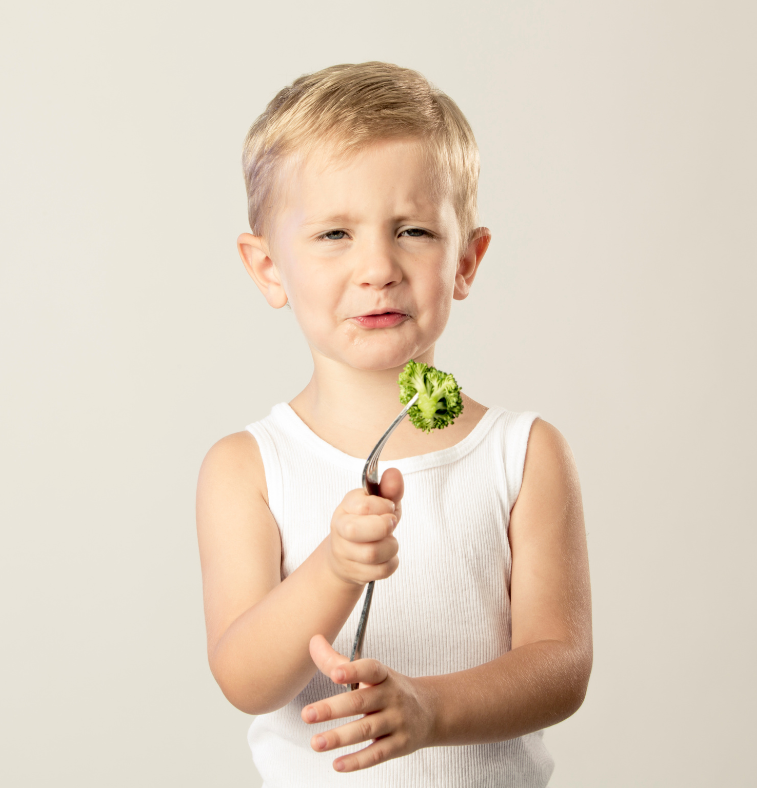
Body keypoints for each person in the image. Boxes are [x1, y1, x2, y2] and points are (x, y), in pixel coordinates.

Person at [196, 62, 591, 786]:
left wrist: (431, 710)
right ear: (267, 268)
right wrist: (336, 569)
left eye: (412, 230)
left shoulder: (524, 454)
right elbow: (245, 680)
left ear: (467, 260)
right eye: (334, 234)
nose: (377, 267)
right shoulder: (246, 468)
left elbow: (560, 667)